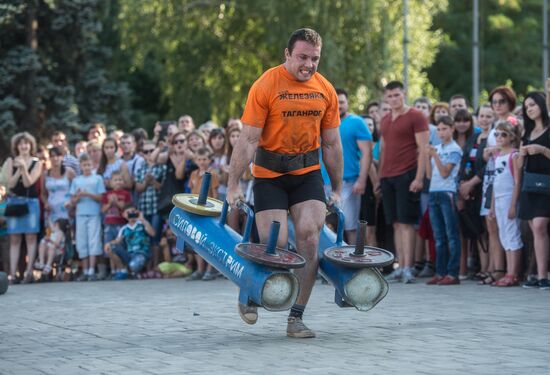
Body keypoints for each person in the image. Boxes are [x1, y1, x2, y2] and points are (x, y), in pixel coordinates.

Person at [226, 28, 342, 338]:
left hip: (307, 174)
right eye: (303, 57)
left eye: (315, 59)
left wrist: (338, 188)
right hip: (270, 176)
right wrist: (233, 184)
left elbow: (331, 144)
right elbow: (249, 139)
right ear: (287, 55)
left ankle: (296, 317)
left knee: (309, 235)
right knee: (274, 245)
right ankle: (250, 292)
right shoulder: (266, 85)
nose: (309, 64)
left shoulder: (325, 90)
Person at [378, 81, 429, 284]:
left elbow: (424, 149)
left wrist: (419, 178)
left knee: (406, 224)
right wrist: (380, 177)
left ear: (404, 94)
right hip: (387, 176)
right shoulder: (385, 119)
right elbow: (383, 149)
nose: (393, 99)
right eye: (389, 96)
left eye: (396, 95)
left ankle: (408, 268)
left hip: (407, 175)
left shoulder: (416, 116)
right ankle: (400, 267)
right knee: (396, 224)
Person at [425, 116, 463, 285]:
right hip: (433, 192)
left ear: (452, 129)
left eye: (444, 129)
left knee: (451, 235)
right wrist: (427, 157)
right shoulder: (437, 148)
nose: (441, 132)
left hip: (447, 193)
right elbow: (428, 174)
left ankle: (453, 273)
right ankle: (440, 272)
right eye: (438, 129)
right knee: (438, 236)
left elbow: (445, 173)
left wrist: (434, 156)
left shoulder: (455, 149)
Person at [518, 92, 550, 289]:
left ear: (541, 105)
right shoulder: (527, 133)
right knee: (534, 230)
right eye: (526, 106)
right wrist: (520, 153)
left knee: (539, 226)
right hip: (530, 184)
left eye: (533, 104)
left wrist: (543, 150)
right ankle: (540, 275)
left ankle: (543, 275)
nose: (530, 108)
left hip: (547, 183)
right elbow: (520, 164)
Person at [5, 132, 43, 284]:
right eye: (21, 143)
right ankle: (13, 274)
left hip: (31, 203)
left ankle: (28, 273)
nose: (24, 146)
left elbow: (28, 183)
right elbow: (11, 184)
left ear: (31, 145)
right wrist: (18, 168)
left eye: (26, 143)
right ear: (16, 146)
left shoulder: (37, 162)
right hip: (14, 202)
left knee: (30, 237)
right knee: (14, 238)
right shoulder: (10, 161)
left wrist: (23, 168)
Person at [335, 88, 372, 244]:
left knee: (351, 228)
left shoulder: (357, 122)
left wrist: (362, 180)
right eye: (335, 102)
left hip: (349, 182)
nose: (338, 106)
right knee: (326, 227)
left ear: (348, 103)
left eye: (341, 102)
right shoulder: (322, 122)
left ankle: (354, 264)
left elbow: (367, 153)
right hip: (324, 183)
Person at [488, 121, 523, 287]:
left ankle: (513, 273)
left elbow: (517, 182)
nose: (499, 138)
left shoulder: (514, 155)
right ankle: (509, 272)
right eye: (496, 134)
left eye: (503, 134)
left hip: (509, 199)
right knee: (504, 236)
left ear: (511, 137)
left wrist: (513, 205)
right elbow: (495, 183)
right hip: (499, 200)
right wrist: (492, 207)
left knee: (512, 235)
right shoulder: (497, 156)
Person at [68, 153, 106, 281]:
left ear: (92, 165)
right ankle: (84, 270)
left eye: (89, 164)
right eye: (84, 165)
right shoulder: (76, 180)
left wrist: (87, 194)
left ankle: (91, 270)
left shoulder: (97, 178)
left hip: (94, 213)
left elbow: (101, 197)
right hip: (80, 214)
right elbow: (72, 200)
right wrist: (78, 197)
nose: (87, 167)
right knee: (82, 242)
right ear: (81, 166)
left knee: (93, 242)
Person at [187, 147, 220, 281]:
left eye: (205, 159)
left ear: (210, 160)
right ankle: (200, 269)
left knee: (209, 241)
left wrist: (216, 211)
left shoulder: (213, 174)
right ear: (195, 160)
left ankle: (210, 269)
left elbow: (215, 193)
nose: (202, 162)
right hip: (195, 210)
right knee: (196, 240)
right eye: (199, 159)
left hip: (208, 211)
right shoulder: (194, 174)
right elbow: (190, 192)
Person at [135, 140, 167, 273]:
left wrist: (153, 181)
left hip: (156, 207)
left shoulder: (162, 167)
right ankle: (147, 267)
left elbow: (163, 188)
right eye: (146, 151)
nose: (149, 153)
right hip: (144, 207)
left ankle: (155, 265)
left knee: (155, 237)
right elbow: (138, 188)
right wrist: (145, 182)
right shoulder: (141, 168)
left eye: (151, 150)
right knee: (145, 237)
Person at [104, 204, 156, 280]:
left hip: (142, 253)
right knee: (110, 248)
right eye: (128, 212)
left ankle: (133, 272)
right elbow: (118, 240)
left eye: (133, 212)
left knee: (134, 265)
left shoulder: (142, 224)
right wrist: (108, 243)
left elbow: (153, 233)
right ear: (124, 215)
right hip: (129, 254)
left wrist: (142, 219)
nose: (131, 213)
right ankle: (123, 270)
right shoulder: (124, 228)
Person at [101, 171, 132, 279]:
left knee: (119, 246)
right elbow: (103, 210)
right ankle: (113, 270)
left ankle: (121, 268)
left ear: (123, 182)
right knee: (108, 247)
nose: (118, 182)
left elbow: (126, 208)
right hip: (109, 225)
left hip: (121, 224)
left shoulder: (126, 194)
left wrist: (116, 202)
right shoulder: (107, 195)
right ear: (110, 183)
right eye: (115, 180)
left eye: (120, 180)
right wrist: (110, 203)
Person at [40, 147, 75, 227]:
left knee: (67, 234)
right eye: (52, 156)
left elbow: (76, 190)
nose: (55, 158)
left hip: (67, 208)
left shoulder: (69, 172)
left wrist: (72, 203)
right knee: (53, 236)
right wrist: (46, 203)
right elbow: (43, 193)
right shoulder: (45, 174)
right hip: (52, 209)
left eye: (58, 155)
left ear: (62, 157)